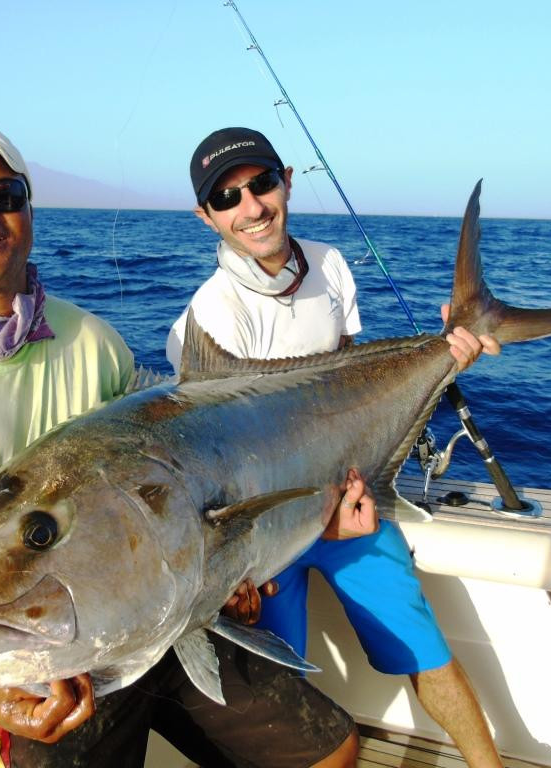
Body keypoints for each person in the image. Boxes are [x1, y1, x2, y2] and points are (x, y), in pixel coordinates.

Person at [0, 117, 360, 768]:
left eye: (2, 194)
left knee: (330, 751)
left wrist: (221, 572)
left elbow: (168, 475)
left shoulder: (93, 340)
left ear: (27, 208)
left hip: (156, 617)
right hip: (34, 664)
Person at [167, 127, 505, 768]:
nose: (252, 207)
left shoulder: (330, 264)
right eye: (227, 196)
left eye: (261, 183)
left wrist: (444, 356)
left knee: (424, 648)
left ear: (287, 180)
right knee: (278, 687)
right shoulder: (208, 315)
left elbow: (351, 380)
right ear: (205, 216)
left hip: (351, 500)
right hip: (265, 528)